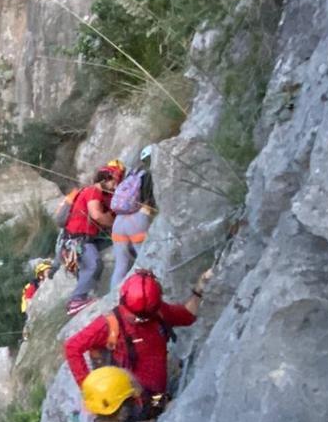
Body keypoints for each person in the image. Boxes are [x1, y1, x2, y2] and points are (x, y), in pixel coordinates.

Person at [64, 268, 211, 402]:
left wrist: (200, 289)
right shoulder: (117, 324)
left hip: (152, 400)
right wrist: (92, 391)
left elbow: (186, 316)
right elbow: (72, 347)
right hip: (135, 406)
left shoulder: (153, 314)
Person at [55, 163, 124, 316]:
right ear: (105, 179)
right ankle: (76, 300)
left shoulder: (95, 193)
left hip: (83, 238)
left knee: (113, 243)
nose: (115, 186)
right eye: (114, 181)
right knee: (94, 264)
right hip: (78, 240)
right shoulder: (94, 191)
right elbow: (97, 215)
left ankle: (85, 293)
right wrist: (116, 223)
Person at [109, 145, 157, 292]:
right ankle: (147, 293)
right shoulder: (151, 175)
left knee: (121, 265)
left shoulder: (132, 174)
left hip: (119, 222)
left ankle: (113, 297)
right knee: (145, 259)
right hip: (138, 220)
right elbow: (151, 200)